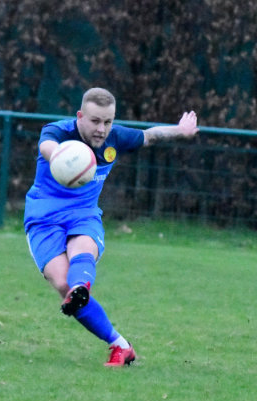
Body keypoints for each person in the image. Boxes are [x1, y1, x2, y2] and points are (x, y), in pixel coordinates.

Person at [23, 87, 199, 366]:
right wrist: (65, 157)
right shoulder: (57, 132)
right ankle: (121, 345)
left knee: (81, 259)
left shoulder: (114, 138)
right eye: (95, 121)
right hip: (43, 217)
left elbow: (149, 136)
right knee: (62, 283)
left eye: (107, 122)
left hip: (83, 215)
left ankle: (81, 286)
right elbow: (46, 146)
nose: (101, 129)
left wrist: (180, 130)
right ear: (80, 116)